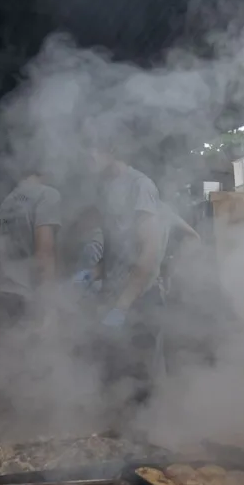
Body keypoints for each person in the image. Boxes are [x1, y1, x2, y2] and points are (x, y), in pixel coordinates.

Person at [75, 143, 168, 433]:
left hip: (139, 302)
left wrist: (122, 307)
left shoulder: (140, 186)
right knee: (112, 385)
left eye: (92, 149)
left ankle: (142, 462)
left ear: (111, 149)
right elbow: (114, 252)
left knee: (137, 387)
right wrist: (90, 274)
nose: (87, 156)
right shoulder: (105, 189)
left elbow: (148, 254)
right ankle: (112, 457)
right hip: (115, 300)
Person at [0, 172, 61, 324]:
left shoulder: (6, 203)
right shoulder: (46, 194)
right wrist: (49, 308)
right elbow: (44, 254)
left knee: (6, 346)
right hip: (29, 300)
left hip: (4, 295)